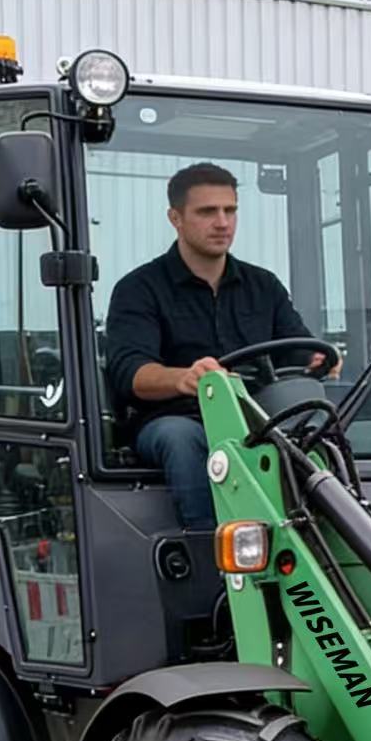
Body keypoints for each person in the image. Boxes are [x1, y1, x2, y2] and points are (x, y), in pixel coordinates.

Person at [105, 162, 325, 530]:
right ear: (175, 217)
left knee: (324, 423)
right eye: (207, 212)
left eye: (230, 210)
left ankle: (329, 535)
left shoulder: (263, 285)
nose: (222, 222)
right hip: (177, 418)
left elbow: (298, 348)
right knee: (181, 439)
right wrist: (184, 379)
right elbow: (131, 372)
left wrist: (320, 359)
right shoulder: (139, 289)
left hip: (260, 414)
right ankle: (210, 551)